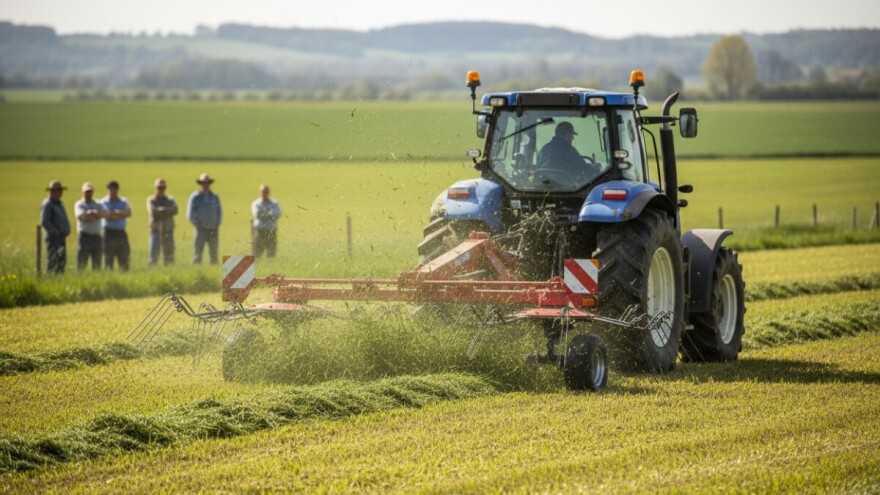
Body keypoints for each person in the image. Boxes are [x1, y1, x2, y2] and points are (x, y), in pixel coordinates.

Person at [187, 173, 222, 265]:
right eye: (203, 183)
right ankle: (196, 272)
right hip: (200, 230)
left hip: (213, 229)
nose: (205, 185)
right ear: (200, 184)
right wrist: (198, 225)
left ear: (209, 183)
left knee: (214, 254)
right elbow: (190, 214)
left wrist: (216, 224)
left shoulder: (214, 196)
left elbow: (219, 212)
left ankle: (214, 271)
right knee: (197, 254)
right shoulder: (195, 197)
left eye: (207, 183)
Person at [74, 181, 107, 271]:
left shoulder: (98, 203)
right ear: (83, 192)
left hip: (97, 237)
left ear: (93, 192)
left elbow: (105, 213)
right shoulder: (79, 204)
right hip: (85, 236)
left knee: (97, 262)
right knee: (82, 261)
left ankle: (96, 277)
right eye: (86, 192)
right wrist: (95, 215)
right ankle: (80, 276)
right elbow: (81, 217)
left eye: (90, 191)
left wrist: (90, 215)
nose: (88, 193)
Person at [40, 180, 71, 274]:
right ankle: (50, 278)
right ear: (52, 191)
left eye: (61, 190)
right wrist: (54, 231)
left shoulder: (60, 203)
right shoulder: (47, 204)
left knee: (61, 260)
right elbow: (45, 221)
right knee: (53, 260)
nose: (61, 192)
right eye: (59, 190)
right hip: (53, 238)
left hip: (61, 237)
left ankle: (59, 278)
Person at [101, 180, 132, 271]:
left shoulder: (123, 201)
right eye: (111, 188)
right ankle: (109, 275)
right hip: (108, 233)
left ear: (117, 189)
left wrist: (116, 213)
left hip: (121, 233)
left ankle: (124, 274)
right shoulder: (103, 202)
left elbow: (129, 212)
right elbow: (106, 215)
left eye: (114, 188)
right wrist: (121, 214)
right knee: (108, 257)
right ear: (108, 189)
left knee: (124, 256)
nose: (113, 190)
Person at [147, 178, 178, 266]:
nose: (161, 189)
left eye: (163, 187)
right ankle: (152, 270)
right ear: (155, 187)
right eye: (159, 187)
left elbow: (175, 210)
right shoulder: (151, 199)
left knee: (169, 255)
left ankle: (169, 271)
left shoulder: (170, 199)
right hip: (155, 230)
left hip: (168, 230)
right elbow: (152, 212)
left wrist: (163, 210)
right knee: (154, 254)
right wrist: (167, 211)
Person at [251, 184, 282, 258]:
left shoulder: (274, 203)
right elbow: (257, 214)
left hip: (271, 230)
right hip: (260, 230)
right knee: (257, 252)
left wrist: (264, 213)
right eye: (262, 191)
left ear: (268, 192)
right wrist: (270, 214)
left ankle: (270, 264)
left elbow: (277, 214)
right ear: (260, 192)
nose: (264, 193)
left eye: (266, 192)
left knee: (271, 252)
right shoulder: (256, 203)